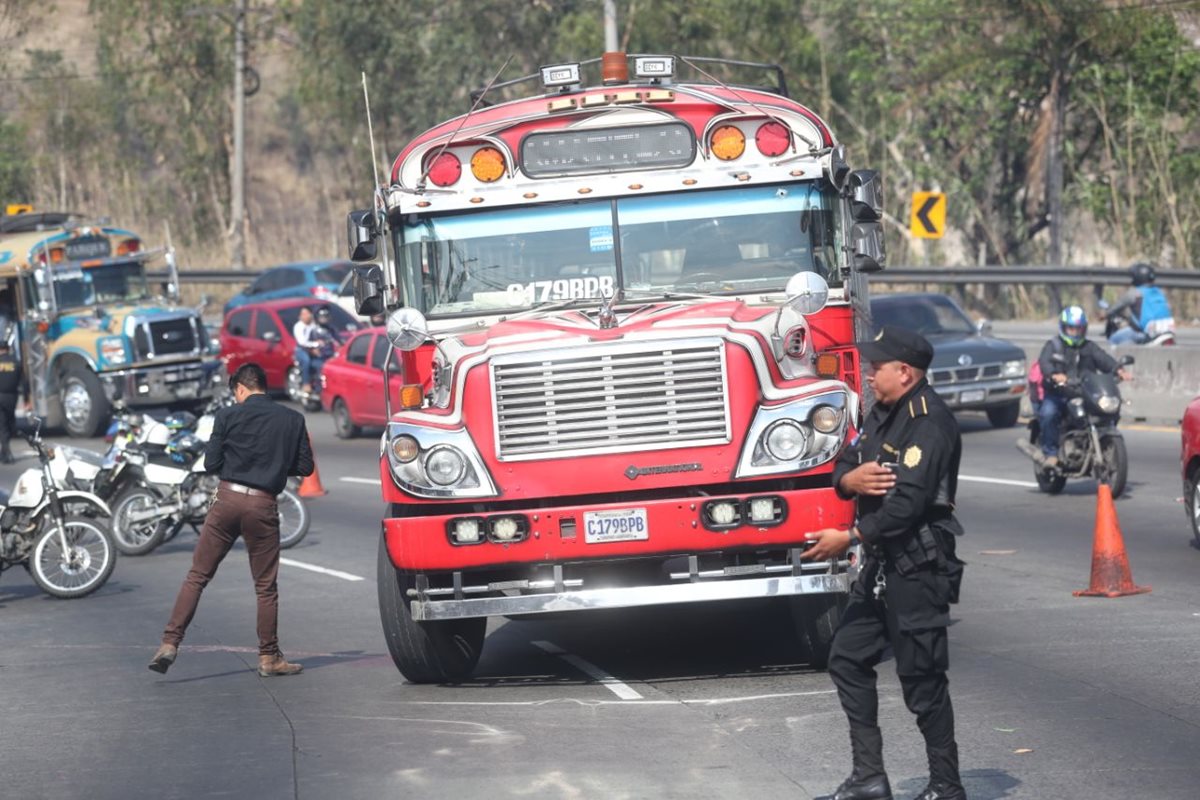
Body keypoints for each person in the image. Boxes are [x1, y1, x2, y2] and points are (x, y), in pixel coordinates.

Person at [804, 325, 966, 800]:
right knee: (847, 658)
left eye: (878, 366)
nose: (870, 374)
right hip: (879, 568)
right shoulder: (881, 414)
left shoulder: (929, 423)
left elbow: (908, 505)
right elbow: (841, 466)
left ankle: (946, 785)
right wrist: (848, 481)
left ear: (906, 372)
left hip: (918, 567)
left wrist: (850, 536)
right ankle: (869, 777)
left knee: (922, 683)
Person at [149, 362, 314, 677]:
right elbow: (304, 467)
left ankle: (169, 643)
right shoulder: (293, 419)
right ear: (262, 385)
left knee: (197, 576)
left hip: (226, 500)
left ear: (240, 388)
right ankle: (269, 657)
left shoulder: (226, 416)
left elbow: (212, 462)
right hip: (263, 505)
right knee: (265, 586)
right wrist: (274, 465)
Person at [1036, 305, 1131, 468]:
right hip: (1059, 393)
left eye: (1079, 329)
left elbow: (1103, 359)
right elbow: (1044, 363)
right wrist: (1054, 375)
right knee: (1049, 413)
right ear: (1063, 327)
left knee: (1109, 408)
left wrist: (1118, 370)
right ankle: (1051, 453)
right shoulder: (1054, 346)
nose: (1075, 332)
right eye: (1071, 328)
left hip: (1082, 392)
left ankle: (1100, 441)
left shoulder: (1089, 347)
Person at [1102, 262, 1175, 345]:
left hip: (1147, 334)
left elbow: (1115, 308)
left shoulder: (1134, 293)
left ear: (1138, 277)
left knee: (1114, 339)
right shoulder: (1160, 292)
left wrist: (1104, 315)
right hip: (1168, 331)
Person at [0, 334, 27, 463]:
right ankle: (5, 452)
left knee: (3, 425)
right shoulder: (16, 362)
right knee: (9, 423)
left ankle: (6, 453)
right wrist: (27, 399)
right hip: (12, 397)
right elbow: (24, 382)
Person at [292, 306, 319, 393]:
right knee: (306, 360)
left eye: (307, 313)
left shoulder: (314, 325)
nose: (306, 316)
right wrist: (316, 344)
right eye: (303, 314)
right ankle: (305, 384)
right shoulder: (298, 326)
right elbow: (302, 342)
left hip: (314, 349)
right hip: (302, 350)